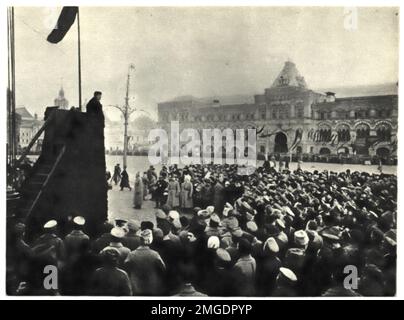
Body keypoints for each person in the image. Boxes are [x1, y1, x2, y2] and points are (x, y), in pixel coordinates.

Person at [124, 229, 166, 295]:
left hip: (136, 285)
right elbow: (163, 268)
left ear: (140, 240)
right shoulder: (155, 254)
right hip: (151, 284)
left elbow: (126, 268)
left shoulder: (131, 254)